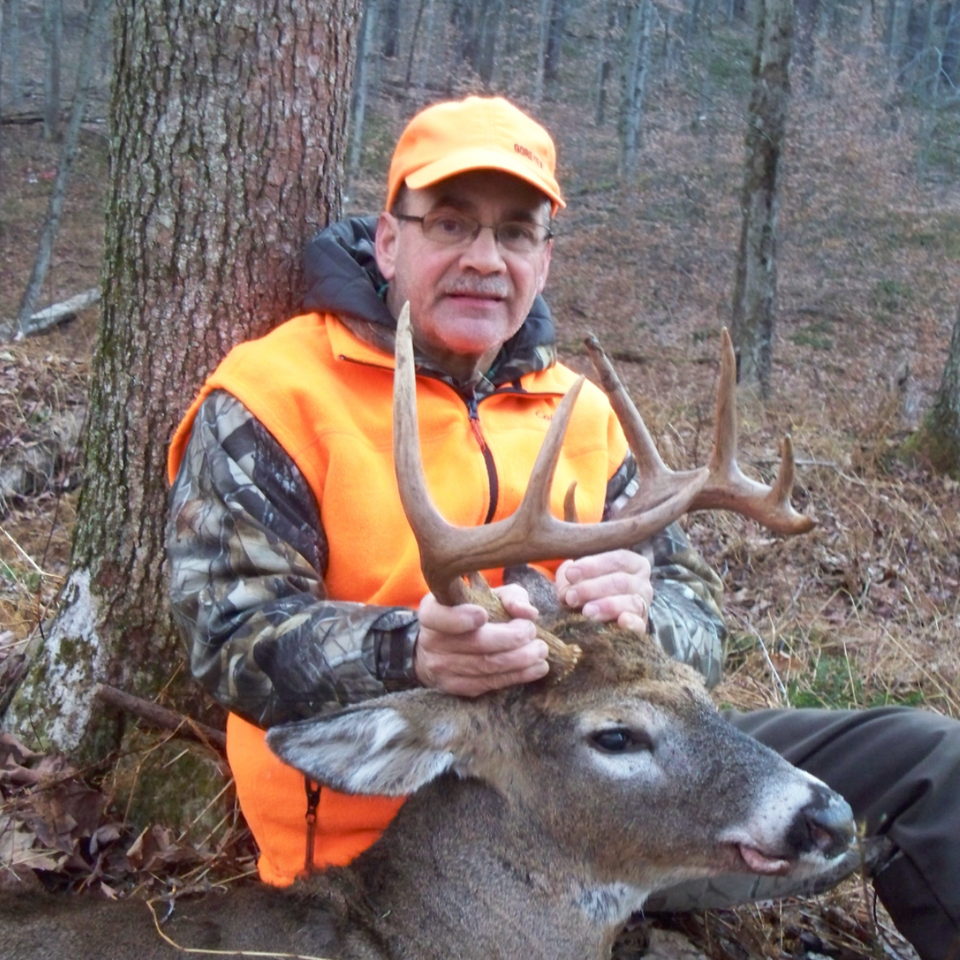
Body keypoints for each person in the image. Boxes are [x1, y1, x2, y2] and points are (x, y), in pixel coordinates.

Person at [166, 96, 959, 959]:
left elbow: (697, 621)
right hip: (412, 847)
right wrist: (411, 653)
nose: (484, 259)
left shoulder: (581, 411)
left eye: (515, 232)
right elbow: (227, 638)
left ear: (542, 259)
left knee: (931, 764)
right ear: (390, 241)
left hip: (635, 785)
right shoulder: (275, 396)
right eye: (451, 225)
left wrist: (647, 616)